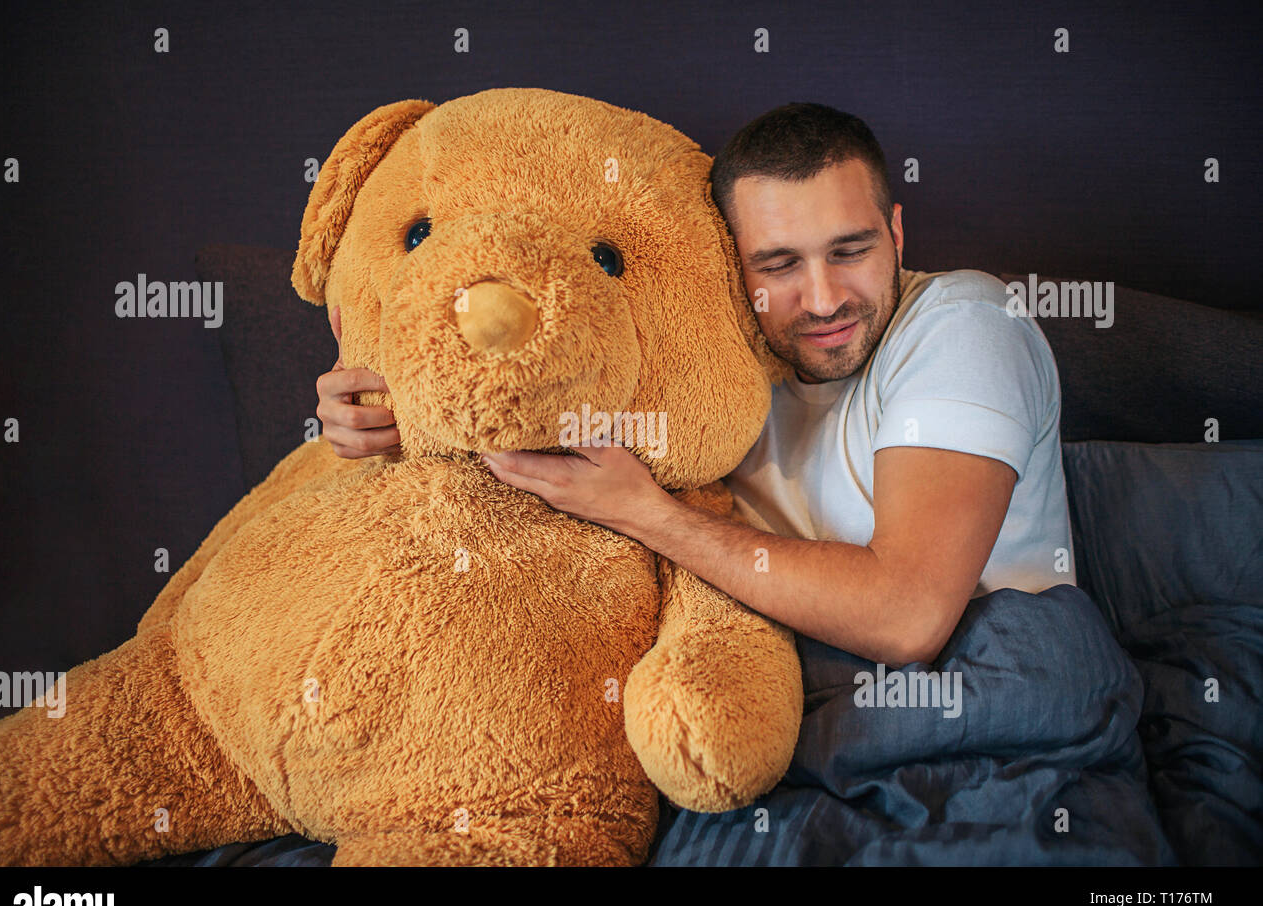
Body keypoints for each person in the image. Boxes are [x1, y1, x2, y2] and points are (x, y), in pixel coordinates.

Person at [315, 103, 1074, 668]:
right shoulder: (724, 354)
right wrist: (389, 414)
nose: (822, 299)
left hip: (981, 682)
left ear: (898, 233)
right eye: (778, 265)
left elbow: (905, 618)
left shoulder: (967, 322)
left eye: (851, 250)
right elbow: (532, 420)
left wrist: (652, 517)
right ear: (729, 264)